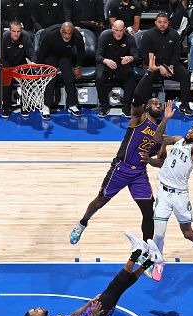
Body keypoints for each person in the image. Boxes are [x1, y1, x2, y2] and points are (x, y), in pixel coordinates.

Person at [69, 54, 166, 245]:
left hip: (139, 173)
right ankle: (82, 223)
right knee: (100, 200)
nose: (157, 104)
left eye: (159, 103)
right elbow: (137, 96)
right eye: (153, 102)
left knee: (149, 212)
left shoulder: (161, 133)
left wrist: (150, 160)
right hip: (121, 168)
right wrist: (149, 74)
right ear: (147, 106)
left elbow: (161, 161)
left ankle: (146, 251)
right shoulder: (139, 118)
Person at [24, 231, 162, 316]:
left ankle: (150, 261)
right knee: (114, 287)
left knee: (119, 288)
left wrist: (89, 303)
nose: (38, 307)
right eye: (35, 310)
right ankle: (136, 253)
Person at [145, 98, 193, 282]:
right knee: (158, 234)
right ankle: (159, 262)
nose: (191, 130)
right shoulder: (177, 140)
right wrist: (166, 119)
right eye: (191, 128)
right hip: (164, 192)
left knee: (187, 232)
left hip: (180, 196)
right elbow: (157, 138)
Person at [139, 13, 193, 117]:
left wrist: (171, 66)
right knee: (148, 76)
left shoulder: (174, 34)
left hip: (170, 65)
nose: (162, 24)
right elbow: (145, 56)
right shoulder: (148, 35)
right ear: (155, 22)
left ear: (168, 23)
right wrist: (159, 67)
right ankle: (146, 104)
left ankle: (184, 104)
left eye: (164, 22)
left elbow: (177, 53)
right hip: (153, 65)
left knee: (185, 75)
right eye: (160, 22)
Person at [37, 22, 85, 120]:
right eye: (65, 33)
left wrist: (78, 66)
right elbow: (41, 52)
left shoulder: (77, 35)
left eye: (69, 33)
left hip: (65, 54)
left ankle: (72, 105)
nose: (67, 36)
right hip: (50, 54)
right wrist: (40, 67)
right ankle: (46, 106)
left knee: (69, 77)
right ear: (60, 31)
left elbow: (81, 51)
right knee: (50, 79)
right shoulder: (50, 35)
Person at [95, 20, 138, 118]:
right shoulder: (104, 37)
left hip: (122, 64)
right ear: (112, 28)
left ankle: (126, 106)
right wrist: (106, 60)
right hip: (107, 64)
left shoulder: (129, 38)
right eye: (116, 30)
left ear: (124, 29)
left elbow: (136, 55)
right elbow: (98, 56)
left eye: (121, 30)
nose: (119, 33)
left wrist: (130, 58)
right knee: (99, 77)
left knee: (130, 76)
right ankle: (104, 105)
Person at [1, 20, 36, 118]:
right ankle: (6, 107)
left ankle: (24, 106)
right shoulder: (4, 38)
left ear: (21, 30)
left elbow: (31, 52)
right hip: (7, 65)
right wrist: (9, 69)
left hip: (21, 64)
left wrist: (33, 62)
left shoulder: (26, 37)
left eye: (18, 31)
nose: (16, 34)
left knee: (27, 82)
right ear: (10, 30)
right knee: (6, 84)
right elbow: (1, 57)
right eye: (14, 31)